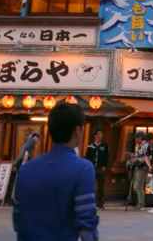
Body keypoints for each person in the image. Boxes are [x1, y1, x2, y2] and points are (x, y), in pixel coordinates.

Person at [14, 102, 98, 241]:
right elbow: (86, 225)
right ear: (77, 131)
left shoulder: (26, 169)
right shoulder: (84, 169)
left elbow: (17, 220)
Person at [85, 130, 109, 210]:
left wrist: (105, 166)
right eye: (98, 134)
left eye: (101, 134)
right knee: (91, 186)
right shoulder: (90, 146)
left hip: (100, 168)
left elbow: (107, 156)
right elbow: (87, 157)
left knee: (101, 186)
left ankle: (100, 204)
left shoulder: (104, 146)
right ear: (95, 136)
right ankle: (90, 203)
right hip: (92, 168)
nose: (100, 136)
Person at [129, 131, 151, 210]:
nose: (135, 140)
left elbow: (147, 157)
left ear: (140, 138)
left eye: (136, 138)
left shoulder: (145, 145)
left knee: (138, 186)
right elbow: (139, 155)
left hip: (142, 167)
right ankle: (140, 203)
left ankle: (141, 204)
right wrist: (133, 156)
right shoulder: (140, 146)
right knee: (137, 186)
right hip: (138, 167)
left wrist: (136, 160)